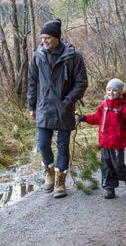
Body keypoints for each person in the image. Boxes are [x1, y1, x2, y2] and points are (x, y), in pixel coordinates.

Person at [27, 18, 88, 198]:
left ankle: (61, 180)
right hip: (44, 107)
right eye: (42, 37)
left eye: (47, 37)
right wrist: (32, 106)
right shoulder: (38, 56)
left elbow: (82, 83)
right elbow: (32, 83)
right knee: (43, 144)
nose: (43, 41)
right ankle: (49, 172)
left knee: (63, 146)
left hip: (64, 108)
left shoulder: (73, 57)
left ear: (57, 38)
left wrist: (68, 100)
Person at [77, 78, 126, 199]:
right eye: (109, 90)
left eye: (114, 90)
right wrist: (85, 118)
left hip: (117, 143)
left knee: (118, 167)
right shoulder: (103, 106)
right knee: (106, 166)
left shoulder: (123, 108)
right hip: (104, 142)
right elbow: (96, 118)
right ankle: (109, 188)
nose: (111, 92)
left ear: (119, 93)